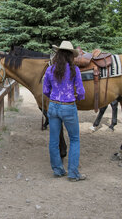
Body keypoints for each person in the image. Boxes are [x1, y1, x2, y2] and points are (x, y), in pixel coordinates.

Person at [43, 40, 86, 181]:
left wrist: (54, 97)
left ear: (58, 54)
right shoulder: (75, 70)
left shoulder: (50, 70)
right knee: (74, 139)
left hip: (53, 106)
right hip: (68, 106)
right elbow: (81, 92)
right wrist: (76, 97)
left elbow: (45, 90)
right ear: (70, 56)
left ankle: (58, 170)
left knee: (54, 140)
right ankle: (73, 173)